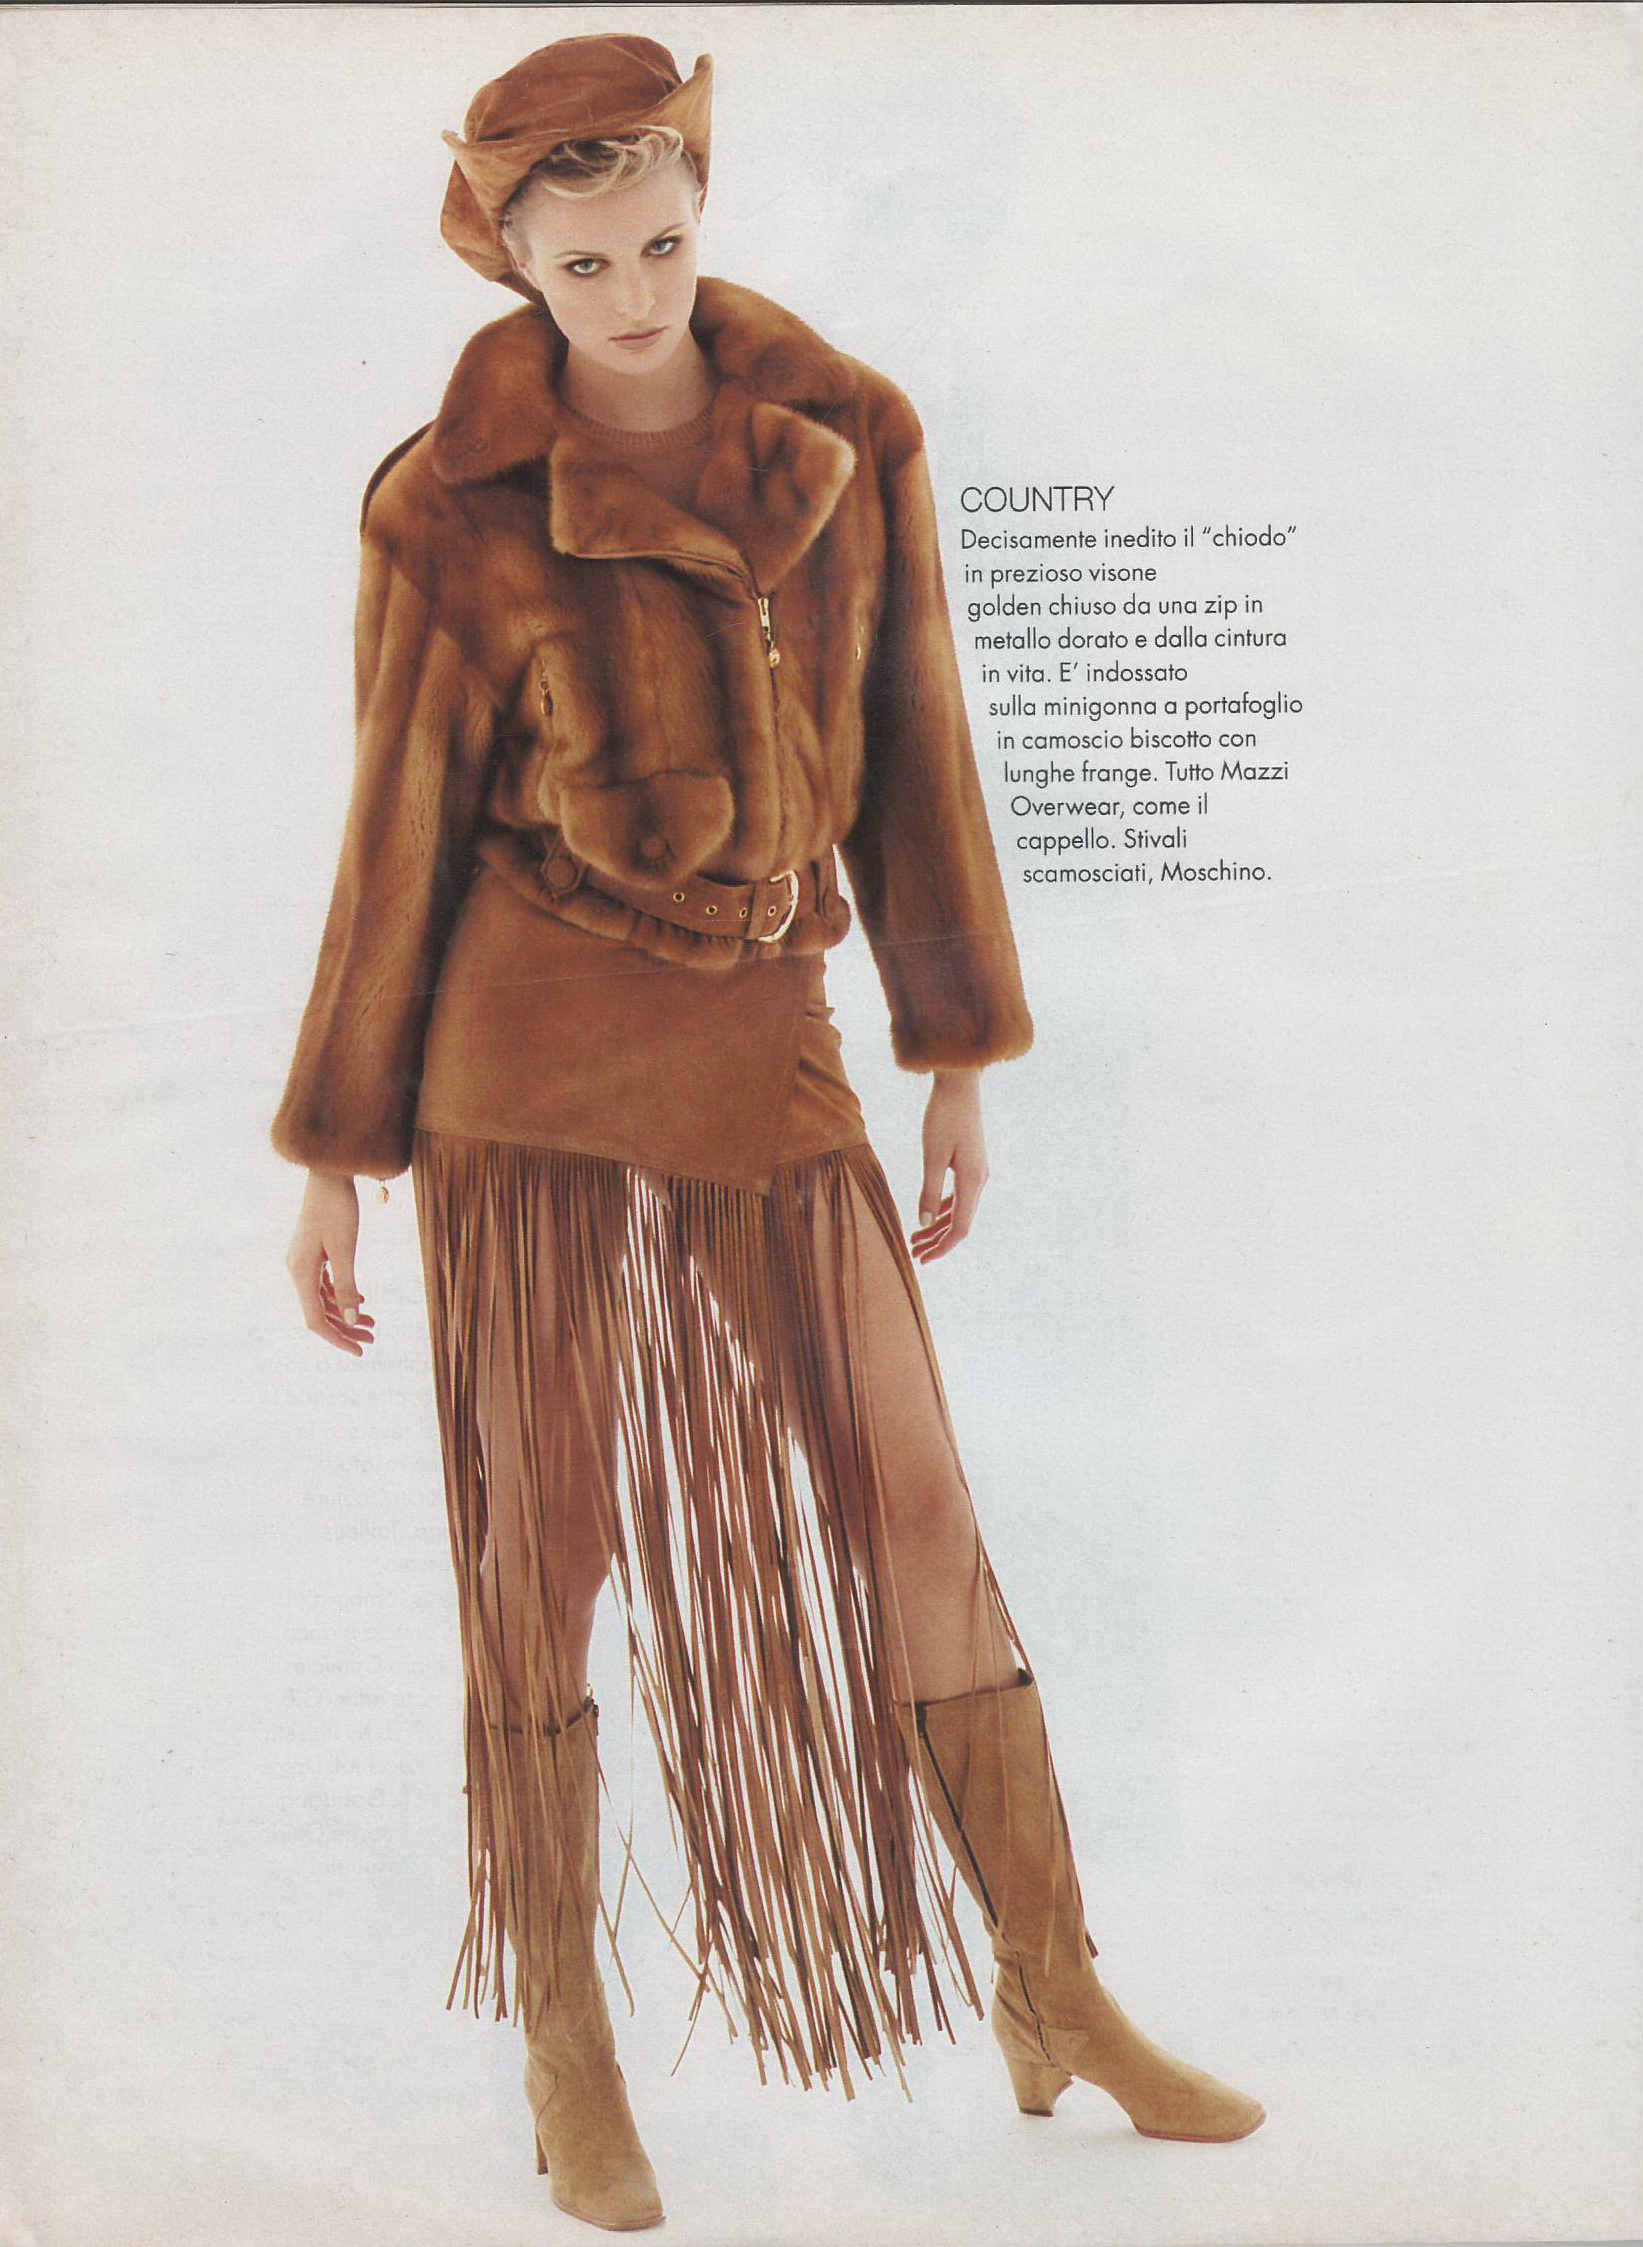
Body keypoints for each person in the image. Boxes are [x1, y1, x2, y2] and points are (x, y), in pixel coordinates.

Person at [274, 32, 1265, 2235]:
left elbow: (918, 741)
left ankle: (1054, 1982)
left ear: (699, 208)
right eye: (584, 261)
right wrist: (334, 1156)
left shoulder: (846, 430)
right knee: (545, 1546)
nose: (634, 293)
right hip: (521, 1060)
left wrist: (957, 1050)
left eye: (662, 241)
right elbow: (389, 829)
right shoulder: (444, 496)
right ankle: (566, 2042)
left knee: (916, 1496)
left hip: (767, 1034)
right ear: (510, 258)